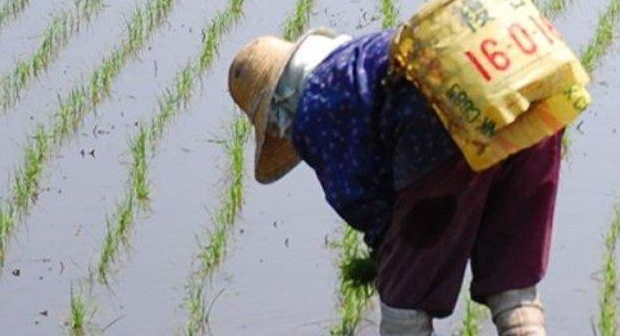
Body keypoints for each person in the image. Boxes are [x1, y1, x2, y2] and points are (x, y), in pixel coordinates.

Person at [229, 28, 560, 336]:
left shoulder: (316, 103)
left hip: (442, 134)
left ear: (278, 105)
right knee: (512, 281)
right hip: (525, 101)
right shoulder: (368, 54)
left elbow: (361, 198)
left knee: (403, 301)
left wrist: (384, 256)